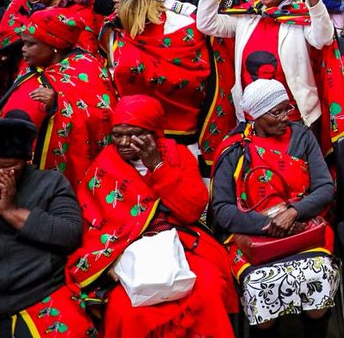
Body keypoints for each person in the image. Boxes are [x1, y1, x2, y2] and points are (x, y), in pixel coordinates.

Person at [68, 95, 238, 338]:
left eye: (134, 133)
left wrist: (158, 166)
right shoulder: (102, 166)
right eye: (117, 134)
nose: (124, 142)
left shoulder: (177, 155)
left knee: (209, 286)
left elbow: (190, 210)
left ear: (154, 132)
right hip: (126, 251)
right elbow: (91, 222)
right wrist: (110, 263)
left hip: (181, 243)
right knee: (124, 310)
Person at [211, 80, 339, 335]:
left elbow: (325, 188)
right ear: (255, 115)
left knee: (319, 277)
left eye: (286, 109)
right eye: (275, 112)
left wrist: (293, 213)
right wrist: (267, 224)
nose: (284, 117)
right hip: (254, 236)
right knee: (261, 290)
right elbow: (222, 209)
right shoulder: (235, 148)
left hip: (303, 229)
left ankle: (315, 328)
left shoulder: (302, 137)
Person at [0, 113, 97, 338]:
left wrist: (12, 211)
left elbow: (70, 234)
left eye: (7, 167)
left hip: (39, 289)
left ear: (26, 161)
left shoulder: (50, 182)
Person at [104, 0, 233, 165]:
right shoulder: (116, 30)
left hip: (182, 145)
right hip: (130, 146)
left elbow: (194, 85)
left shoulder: (187, 33)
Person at [0, 8, 115, 188]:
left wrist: (59, 102)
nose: (23, 50)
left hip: (59, 171)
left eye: (30, 44)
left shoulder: (86, 67)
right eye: (23, 43)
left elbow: (100, 113)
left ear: (53, 45)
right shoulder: (34, 66)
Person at [197, 0, 333, 126]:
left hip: (294, 116)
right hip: (252, 116)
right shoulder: (247, 16)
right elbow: (206, 24)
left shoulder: (299, 18)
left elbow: (323, 39)